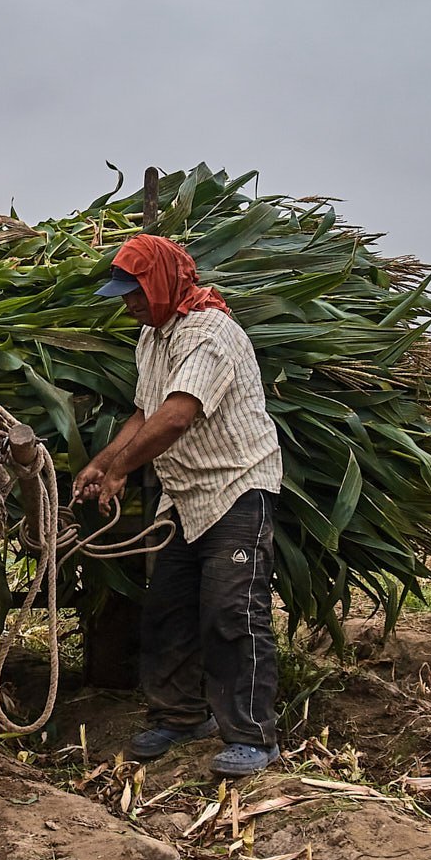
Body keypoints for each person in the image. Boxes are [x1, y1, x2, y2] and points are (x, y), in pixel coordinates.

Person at [74, 234, 283, 777]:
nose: (129, 303)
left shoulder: (210, 333)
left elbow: (177, 416)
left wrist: (122, 471)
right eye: (123, 293)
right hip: (184, 497)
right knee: (168, 612)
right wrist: (102, 462)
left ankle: (253, 736)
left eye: (136, 291)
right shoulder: (152, 338)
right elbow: (145, 414)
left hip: (237, 488)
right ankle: (184, 716)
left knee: (231, 613)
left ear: (164, 282)